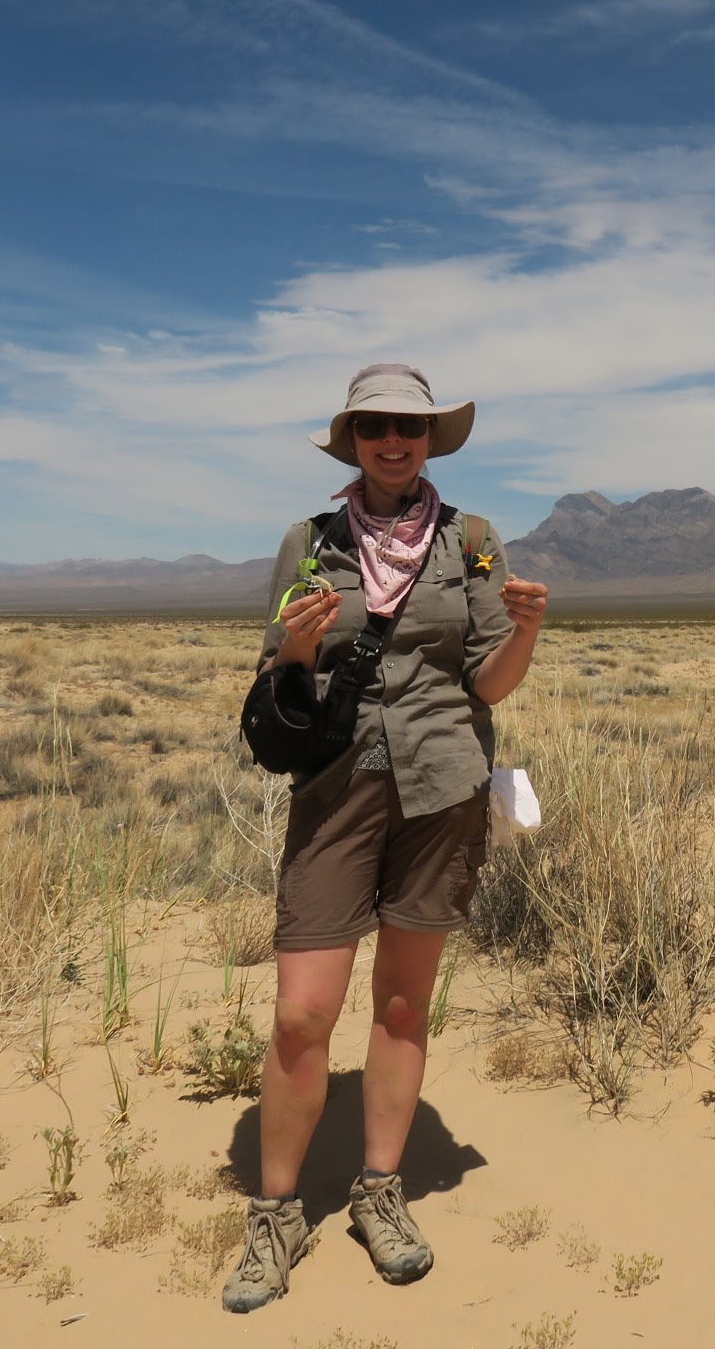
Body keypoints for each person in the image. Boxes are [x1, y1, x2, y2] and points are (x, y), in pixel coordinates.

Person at [223, 363, 548, 1315]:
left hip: (443, 788)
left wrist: (527, 629)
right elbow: (276, 671)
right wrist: (294, 645)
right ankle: (276, 1213)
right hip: (337, 789)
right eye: (374, 426)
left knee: (404, 1005)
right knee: (301, 1014)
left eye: (409, 426)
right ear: (353, 439)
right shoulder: (310, 541)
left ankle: (378, 1193)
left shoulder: (474, 542)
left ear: (431, 438)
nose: (392, 440)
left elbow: (488, 684)